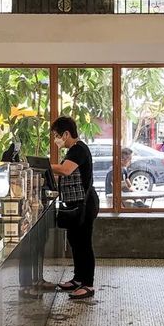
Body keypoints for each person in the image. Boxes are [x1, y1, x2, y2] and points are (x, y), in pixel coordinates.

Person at [50, 116, 99, 300]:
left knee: (84, 243)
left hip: (85, 205)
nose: (56, 139)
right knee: (75, 241)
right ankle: (78, 278)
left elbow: (65, 170)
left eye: (57, 135)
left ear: (66, 133)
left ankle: (88, 284)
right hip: (75, 204)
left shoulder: (78, 149)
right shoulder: (73, 150)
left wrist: (44, 166)